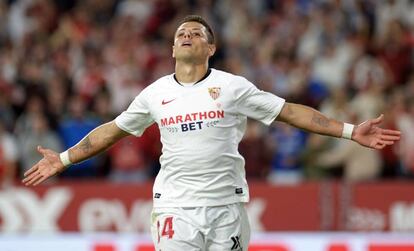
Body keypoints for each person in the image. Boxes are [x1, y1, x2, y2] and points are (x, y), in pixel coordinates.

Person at [22, 15, 401, 250]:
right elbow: (113, 131)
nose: (187, 35)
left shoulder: (234, 87)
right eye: (181, 33)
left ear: (211, 47)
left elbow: (288, 112)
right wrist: (66, 158)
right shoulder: (155, 93)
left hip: (227, 208)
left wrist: (351, 131)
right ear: (172, 48)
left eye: (196, 33)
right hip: (175, 207)